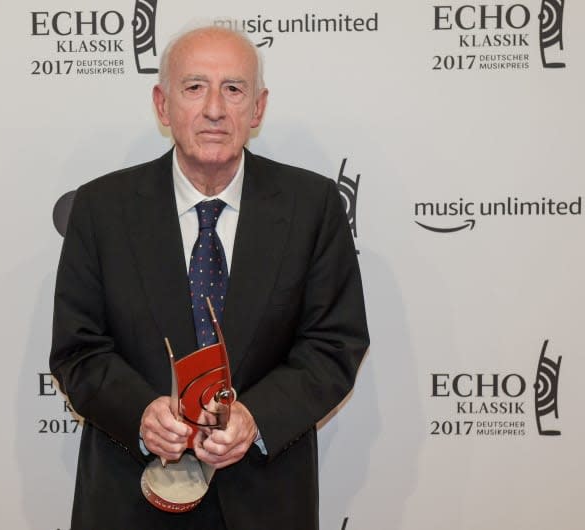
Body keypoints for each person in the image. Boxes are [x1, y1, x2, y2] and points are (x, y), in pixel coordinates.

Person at [50, 25, 369, 529]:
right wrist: (140, 413)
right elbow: (78, 350)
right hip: (130, 501)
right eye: (194, 87)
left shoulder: (313, 207)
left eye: (234, 89)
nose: (215, 109)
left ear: (258, 108)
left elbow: (333, 345)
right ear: (162, 104)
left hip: (266, 501)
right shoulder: (100, 210)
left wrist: (255, 418)